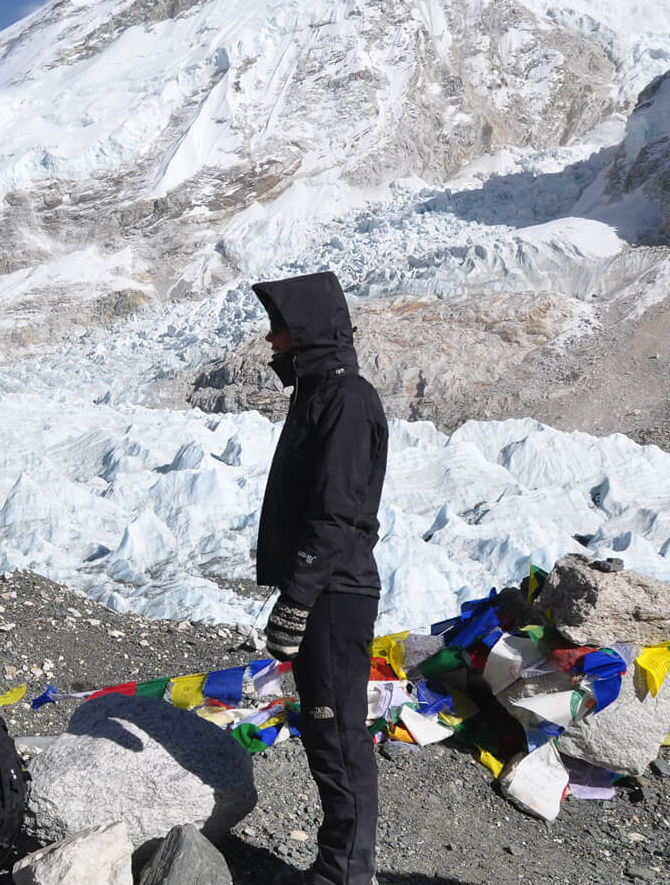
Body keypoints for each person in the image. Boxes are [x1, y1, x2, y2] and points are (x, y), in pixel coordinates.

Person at [252, 272, 388, 885]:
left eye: (279, 329)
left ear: (305, 331)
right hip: (325, 591)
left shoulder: (347, 400)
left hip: (336, 594)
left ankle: (345, 875)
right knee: (324, 729)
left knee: (338, 736)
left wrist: (299, 598)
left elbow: (338, 514)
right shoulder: (319, 395)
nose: (272, 341)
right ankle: (337, 866)